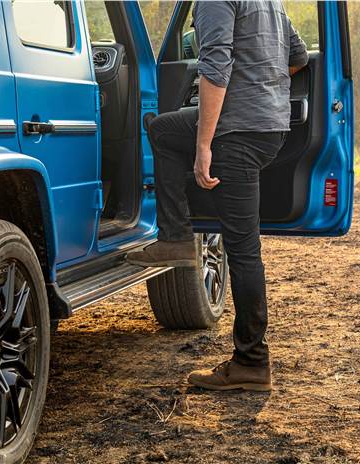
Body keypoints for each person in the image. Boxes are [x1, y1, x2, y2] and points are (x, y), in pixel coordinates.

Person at [127, 0, 308, 391]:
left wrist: (204, 145)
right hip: (271, 127)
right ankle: (175, 238)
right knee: (164, 130)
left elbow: (215, 68)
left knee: (243, 250)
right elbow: (298, 56)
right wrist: (263, 86)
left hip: (237, 132)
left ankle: (251, 362)